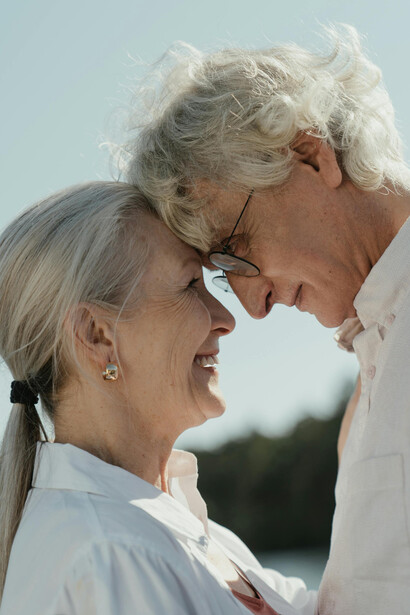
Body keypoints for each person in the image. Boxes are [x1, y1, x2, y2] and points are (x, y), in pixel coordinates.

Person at [120, 25, 410, 615]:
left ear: (310, 155)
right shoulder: (372, 373)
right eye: (221, 272)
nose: (253, 306)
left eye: (236, 242)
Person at [0, 181, 317, 614]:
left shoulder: (177, 529)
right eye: (190, 285)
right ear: (98, 336)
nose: (227, 319)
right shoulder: (114, 555)